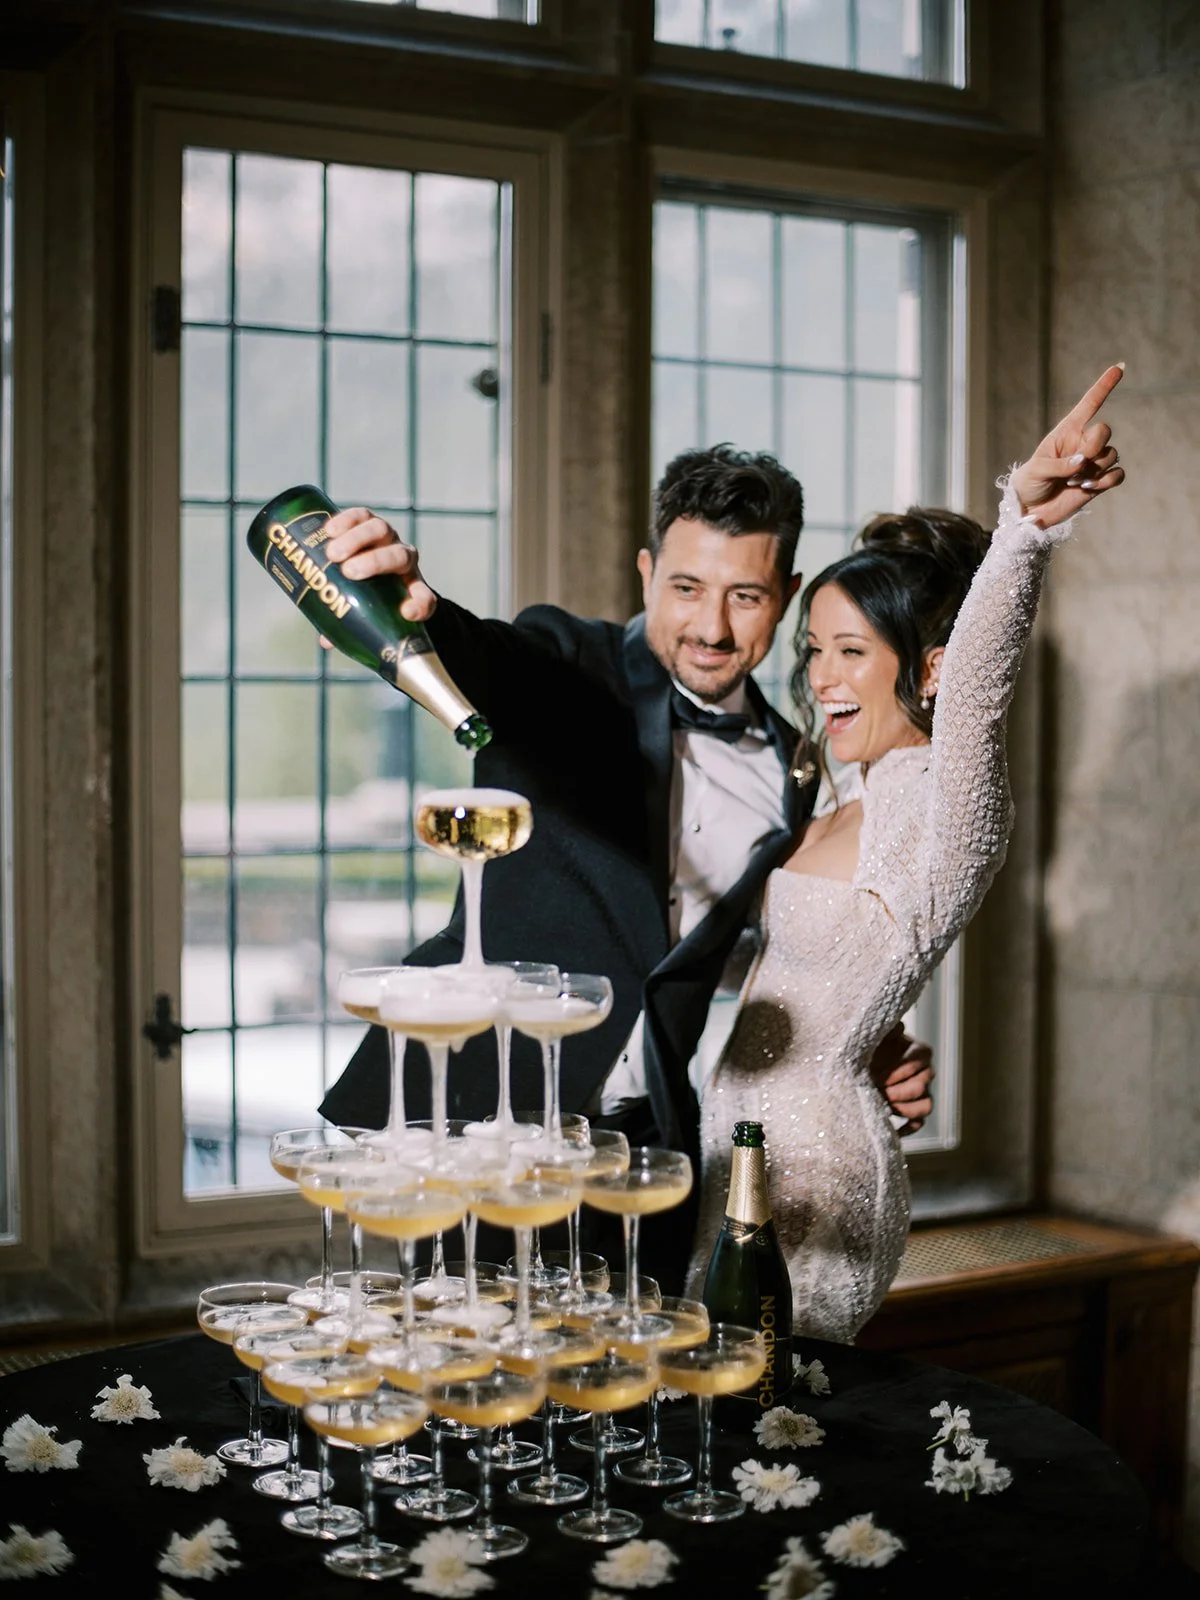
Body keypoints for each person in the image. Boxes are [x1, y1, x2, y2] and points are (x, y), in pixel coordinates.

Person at [315, 444, 936, 1289]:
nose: (712, 628)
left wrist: (862, 1040)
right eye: (686, 588)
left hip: (649, 1155)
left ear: (786, 596)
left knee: (627, 1407)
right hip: (491, 1128)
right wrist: (410, 606)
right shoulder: (565, 665)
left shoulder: (797, 763)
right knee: (477, 1388)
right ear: (646, 573)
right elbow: (476, 654)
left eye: (745, 596)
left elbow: (738, 946)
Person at [684, 365, 1126, 1341]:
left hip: (822, 1171)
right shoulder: (838, 794)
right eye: (814, 648)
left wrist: (1025, 524)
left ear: (923, 665)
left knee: (779, 1423)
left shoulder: (944, 797)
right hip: (729, 1161)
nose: (822, 676)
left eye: (852, 650)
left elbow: (977, 685)